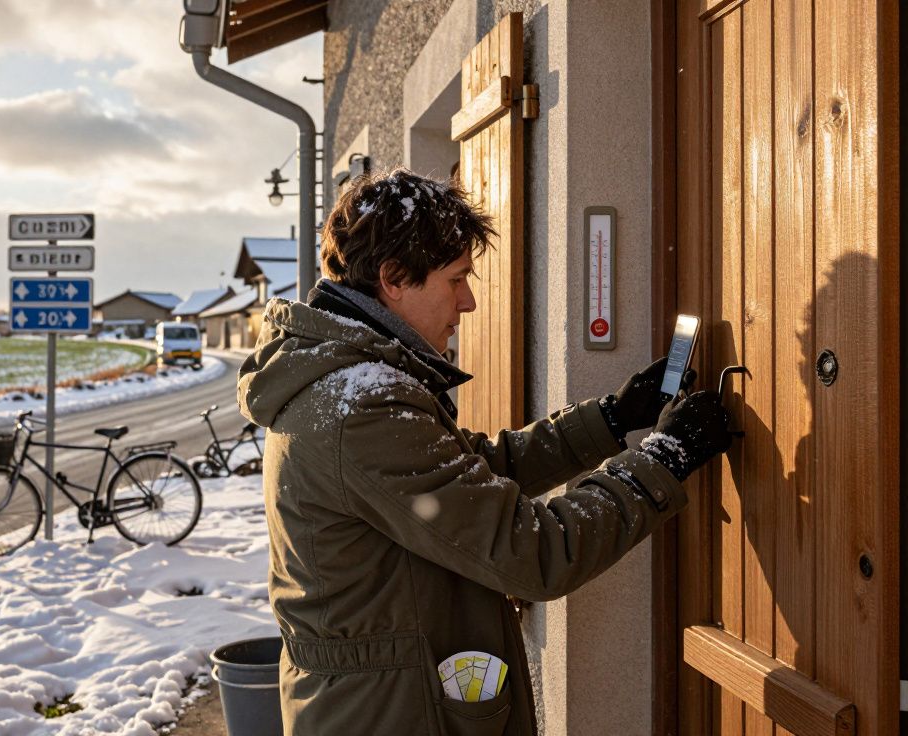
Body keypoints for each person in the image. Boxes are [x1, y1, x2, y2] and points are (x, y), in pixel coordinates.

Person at [236, 169, 733, 736]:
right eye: (456, 280)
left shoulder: (346, 381)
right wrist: (665, 458)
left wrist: (613, 418)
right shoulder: (363, 407)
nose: (468, 302)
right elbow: (534, 551)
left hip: (377, 703)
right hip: (391, 715)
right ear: (393, 279)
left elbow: (476, 473)